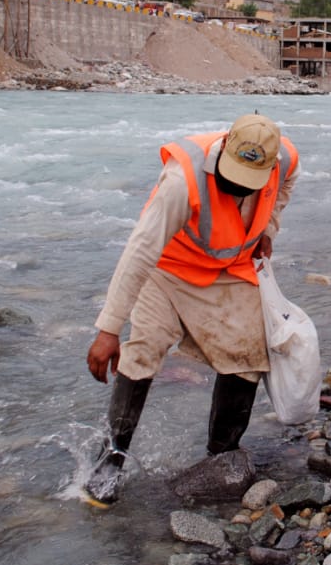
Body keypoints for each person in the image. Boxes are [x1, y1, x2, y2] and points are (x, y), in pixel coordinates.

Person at [82, 113, 299, 507]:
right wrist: (109, 329)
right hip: (168, 269)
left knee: (249, 354)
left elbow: (284, 188)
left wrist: (268, 229)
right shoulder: (183, 179)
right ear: (224, 150)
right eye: (232, 177)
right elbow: (140, 250)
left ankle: (222, 455)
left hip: (228, 268)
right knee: (143, 351)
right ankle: (111, 459)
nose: (237, 188)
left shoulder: (285, 159)